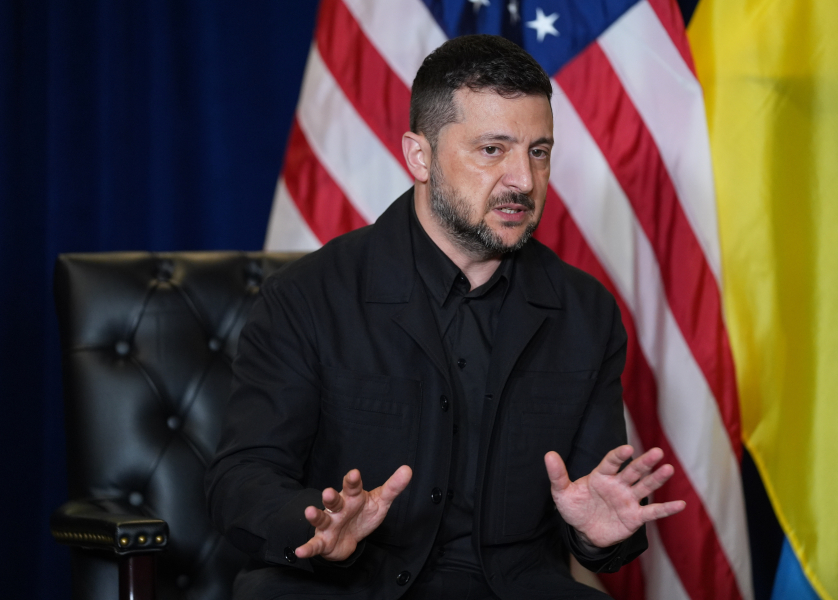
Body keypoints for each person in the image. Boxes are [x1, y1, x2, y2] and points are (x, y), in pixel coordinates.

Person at [206, 34, 685, 600]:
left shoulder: (586, 313)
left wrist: (596, 538)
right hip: (346, 588)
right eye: (492, 150)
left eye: (538, 151)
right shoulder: (307, 297)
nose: (523, 180)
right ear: (420, 157)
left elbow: (595, 501)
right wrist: (314, 523)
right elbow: (241, 479)